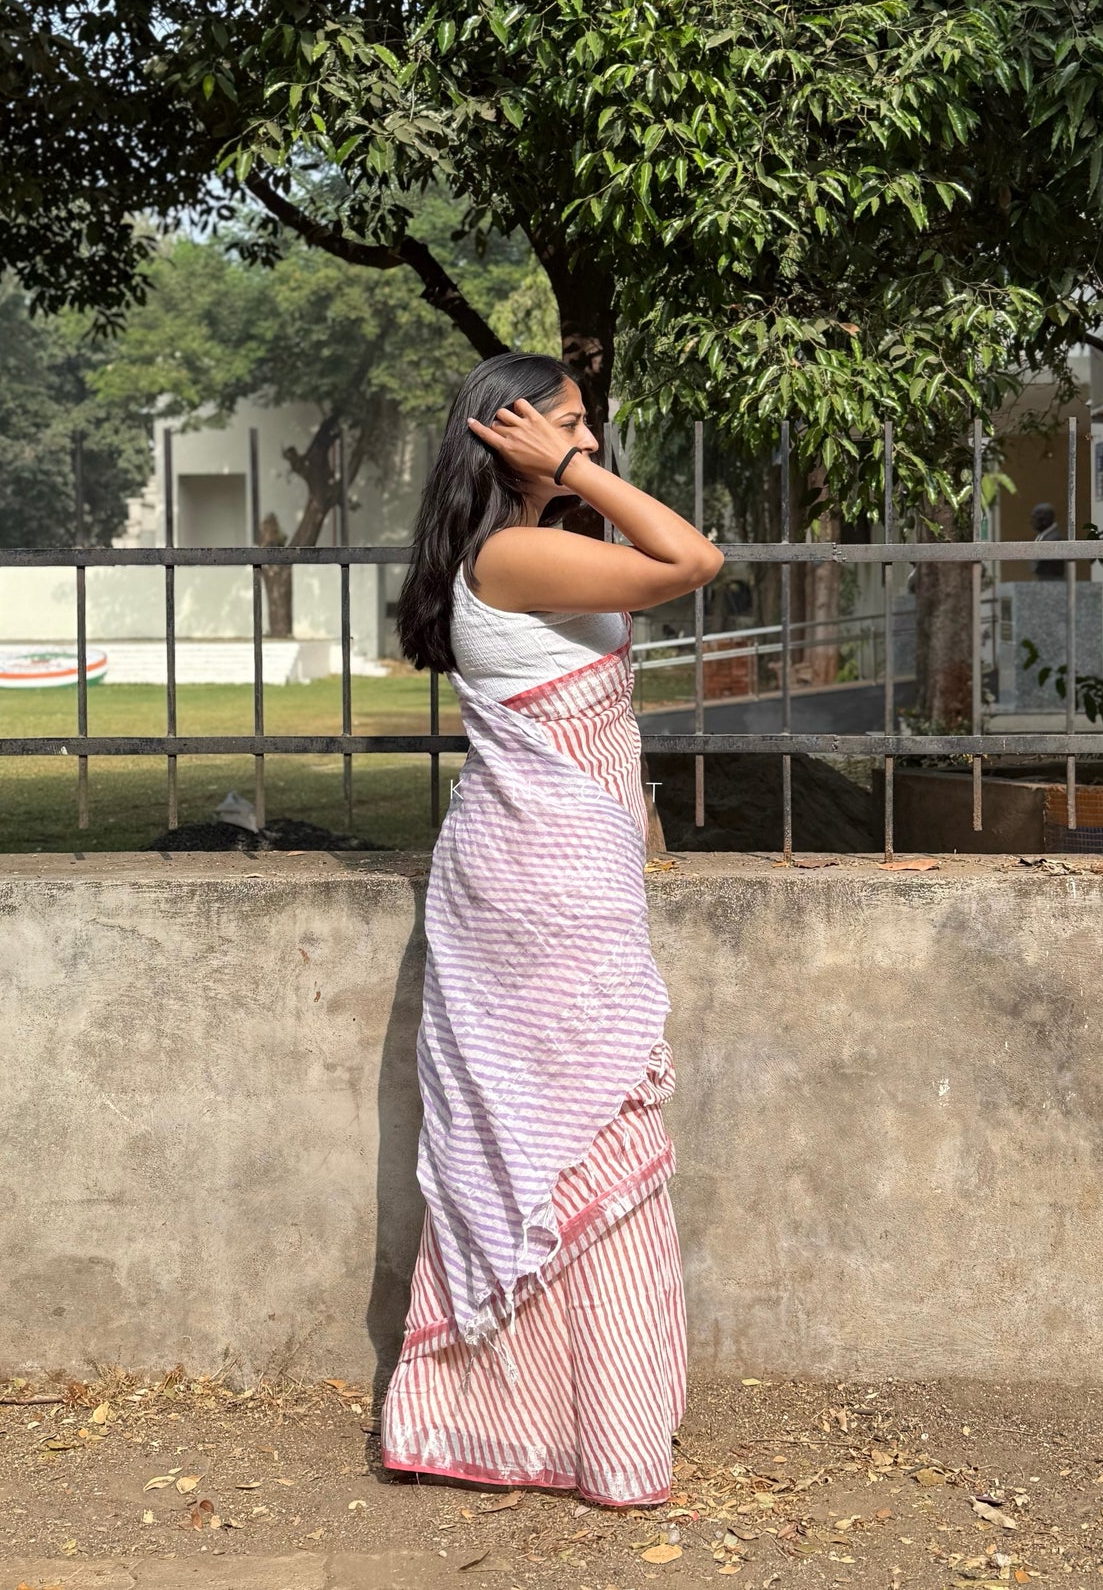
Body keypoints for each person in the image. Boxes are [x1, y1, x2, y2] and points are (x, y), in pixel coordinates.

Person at [383, 351, 722, 1508]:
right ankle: (590, 1435)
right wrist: (571, 468)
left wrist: (567, 463)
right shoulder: (515, 550)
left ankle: (512, 1421)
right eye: (564, 425)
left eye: (584, 425)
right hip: (541, 882)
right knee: (586, 1130)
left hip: (545, 866)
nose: (586, 442)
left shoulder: (522, 549)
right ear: (505, 435)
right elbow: (691, 559)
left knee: (554, 1133)